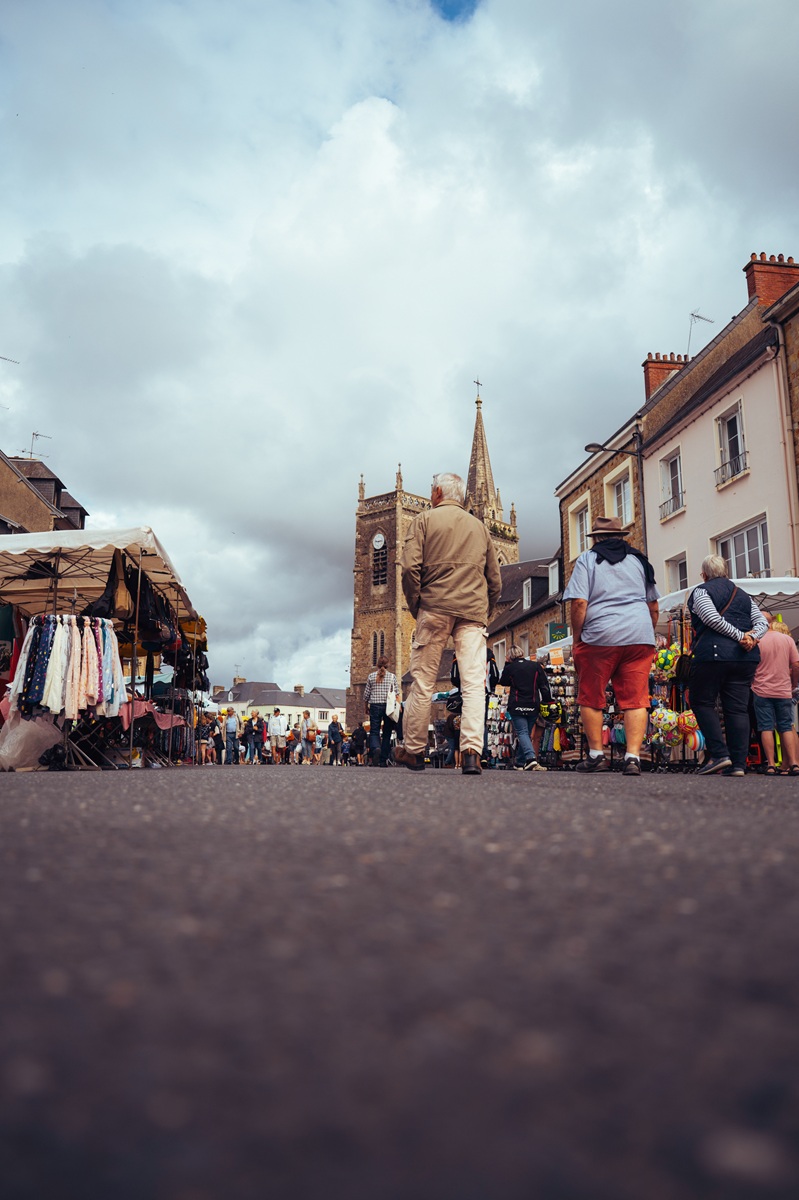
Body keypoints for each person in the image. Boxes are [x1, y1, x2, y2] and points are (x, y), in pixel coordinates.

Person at [396, 472, 502, 775]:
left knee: (423, 682)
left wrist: (417, 605)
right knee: (473, 685)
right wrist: (484, 610)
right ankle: (471, 754)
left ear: (438, 493)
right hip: (472, 612)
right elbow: (494, 580)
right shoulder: (480, 528)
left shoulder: (423, 521)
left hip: (434, 607)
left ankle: (414, 751)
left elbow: (409, 569)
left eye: (432, 490)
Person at [563, 515, 660, 777]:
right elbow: (653, 605)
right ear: (620, 536)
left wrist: (577, 637)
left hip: (599, 636)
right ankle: (633, 758)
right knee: (636, 699)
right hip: (639, 635)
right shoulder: (640, 561)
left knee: (591, 696)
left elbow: (579, 603)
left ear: (596, 538)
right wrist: (646, 632)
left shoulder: (587, 560)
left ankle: (596, 755)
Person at [687, 555, 768, 776]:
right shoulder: (743, 594)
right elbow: (762, 622)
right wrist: (751, 637)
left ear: (704, 575)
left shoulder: (701, 592)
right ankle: (739, 764)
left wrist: (742, 636)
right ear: (726, 572)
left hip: (713, 655)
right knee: (737, 709)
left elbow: (711, 619)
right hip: (745, 658)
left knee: (701, 701)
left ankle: (719, 754)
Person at [751, 620, 799, 774]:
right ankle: (794, 764)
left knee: (766, 727)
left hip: (761, 690)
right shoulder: (787, 639)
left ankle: (771, 765)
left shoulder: (757, 640)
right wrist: (793, 684)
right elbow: (796, 664)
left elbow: (750, 665)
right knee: (786, 726)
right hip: (783, 690)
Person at [498, 645, 552, 771]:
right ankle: (520, 762)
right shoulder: (536, 666)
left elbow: (504, 682)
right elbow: (544, 685)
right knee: (525, 733)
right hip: (533, 704)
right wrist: (548, 700)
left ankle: (531, 758)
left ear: (510, 657)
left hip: (517, 704)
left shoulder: (510, 668)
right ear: (522, 653)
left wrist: (507, 664)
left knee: (522, 733)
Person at [363, 654, 400, 768]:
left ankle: (376, 748)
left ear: (377, 665)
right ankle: (383, 760)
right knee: (387, 733)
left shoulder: (371, 676)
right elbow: (397, 694)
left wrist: (366, 707)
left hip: (374, 705)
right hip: (388, 707)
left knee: (374, 731)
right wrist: (398, 707)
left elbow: (366, 695)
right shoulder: (392, 677)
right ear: (388, 665)